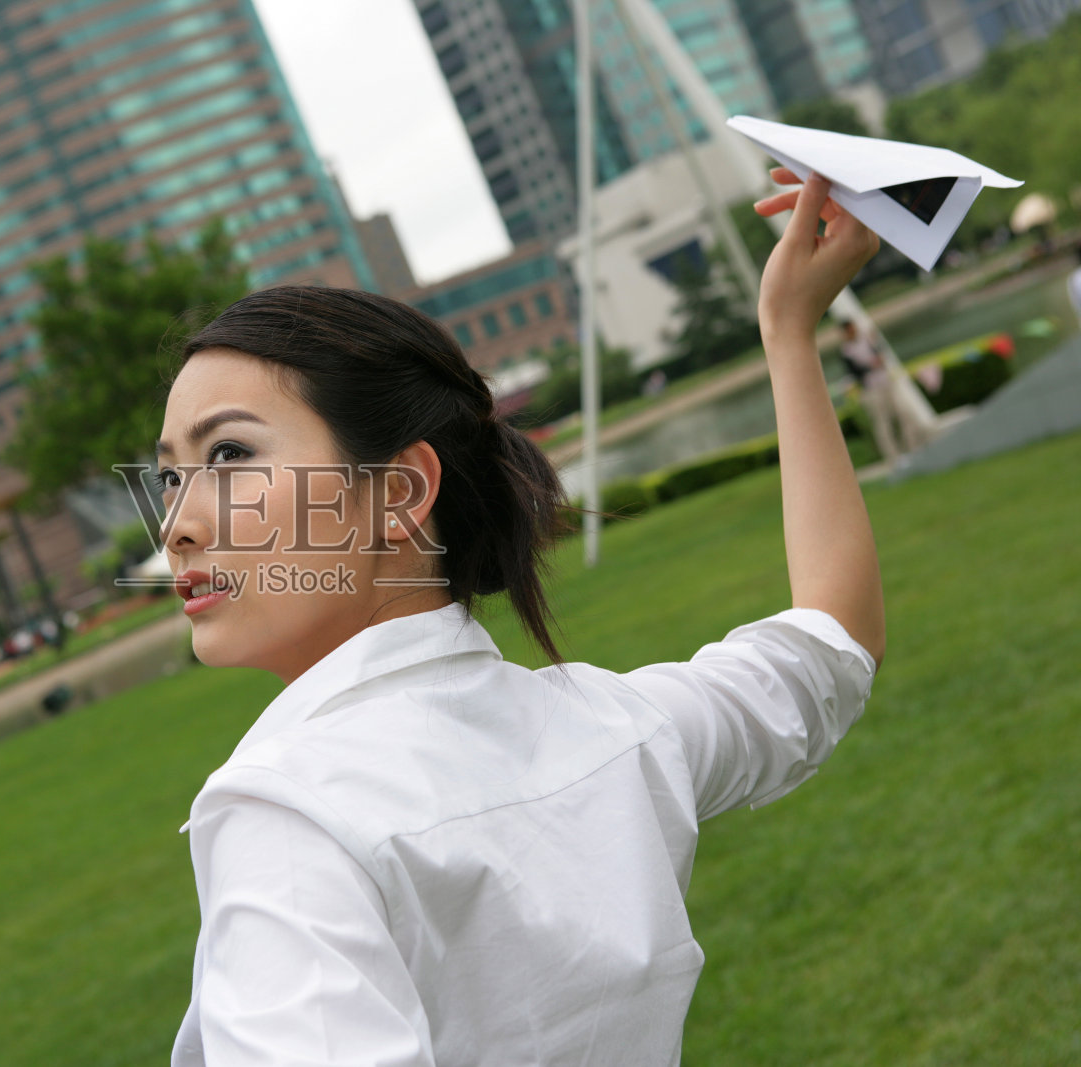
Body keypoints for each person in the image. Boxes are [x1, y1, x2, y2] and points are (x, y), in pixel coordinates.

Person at [157, 170, 886, 1066]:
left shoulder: (290, 812)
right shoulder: (614, 730)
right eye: (170, 474)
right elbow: (834, 647)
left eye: (229, 455)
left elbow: (827, 652)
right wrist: (789, 335)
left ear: (402, 490)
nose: (177, 524)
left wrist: (789, 329)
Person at [839, 317, 916, 463]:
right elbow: (854, 373)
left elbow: (880, 353)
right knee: (882, 423)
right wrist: (870, 366)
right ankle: (893, 457)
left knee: (902, 412)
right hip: (871, 390)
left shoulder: (867, 340)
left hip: (885, 382)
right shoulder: (846, 352)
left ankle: (912, 446)